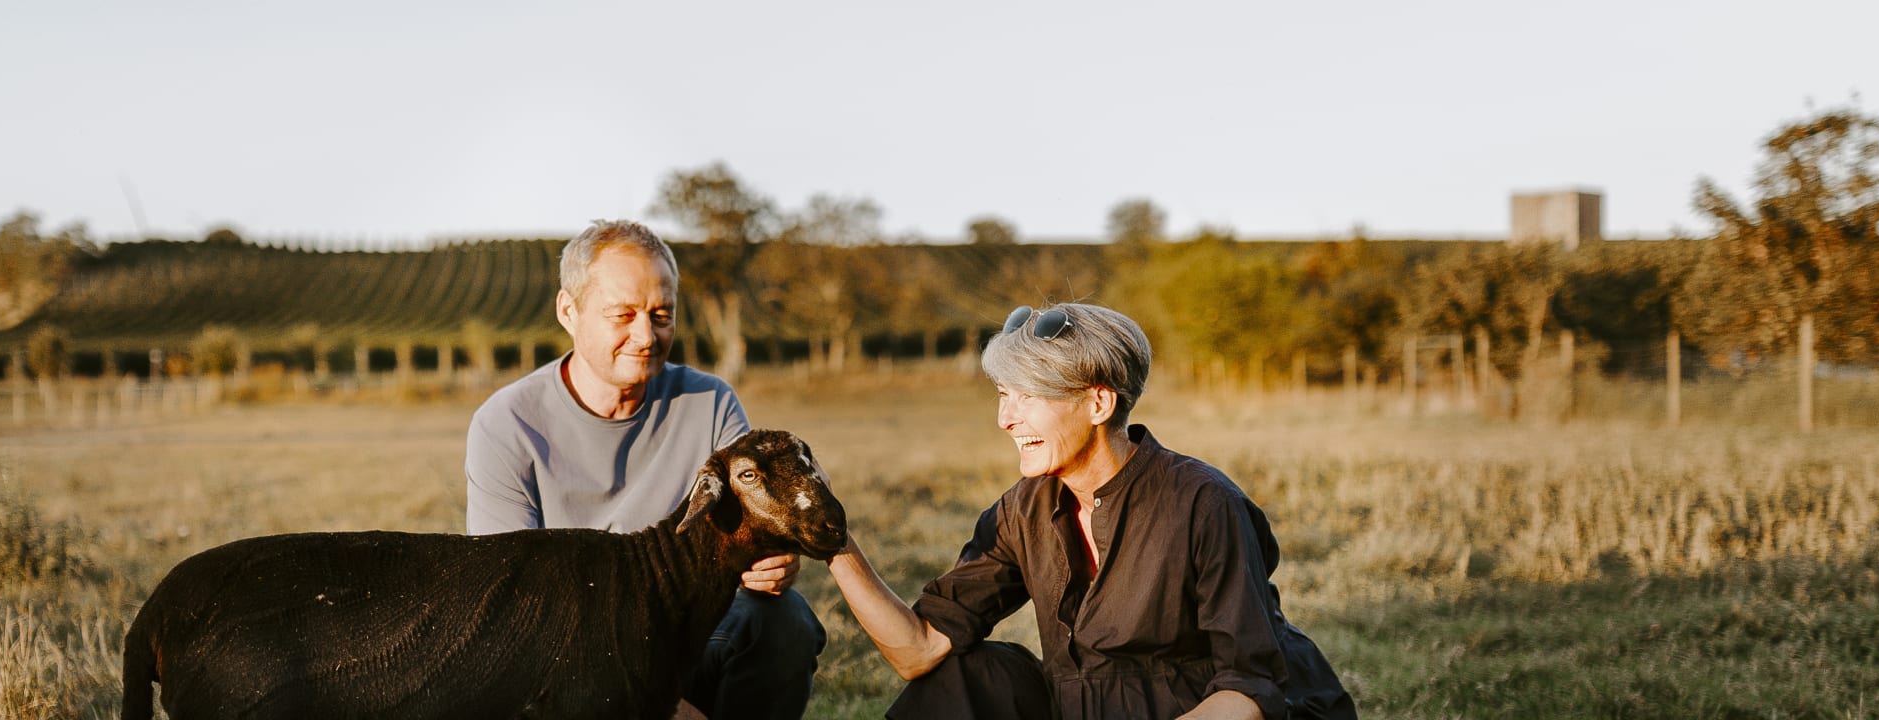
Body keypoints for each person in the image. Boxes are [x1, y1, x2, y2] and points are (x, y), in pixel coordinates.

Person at [823, 302, 1355, 719]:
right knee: (965, 677)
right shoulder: (1023, 510)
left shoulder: (1203, 503)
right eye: (1003, 395)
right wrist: (830, 537)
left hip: (1205, 711)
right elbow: (917, 652)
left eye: (1028, 397)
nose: (1006, 419)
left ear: (1099, 404)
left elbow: (1250, 691)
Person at [465, 219, 823, 719]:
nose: (646, 336)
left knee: (784, 620)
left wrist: (772, 562)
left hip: (686, 631)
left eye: (661, 314)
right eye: (622, 314)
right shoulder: (506, 425)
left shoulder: (712, 402)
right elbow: (510, 610)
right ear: (569, 310)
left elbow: (750, 532)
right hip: (566, 660)